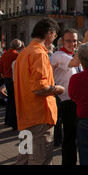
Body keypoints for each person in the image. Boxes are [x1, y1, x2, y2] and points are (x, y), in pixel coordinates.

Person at [13, 17, 65, 165]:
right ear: (49, 33)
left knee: (24, 157)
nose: (54, 40)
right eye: (54, 36)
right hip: (39, 117)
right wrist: (57, 89)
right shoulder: (40, 54)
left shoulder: (24, 53)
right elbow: (39, 88)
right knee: (40, 159)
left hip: (25, 116)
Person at [50, 28, 88, 165]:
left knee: (81, 137)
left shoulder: (73, 53)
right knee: (70, 137)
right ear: (62, 41)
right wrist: (85, 42)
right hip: (68, 101)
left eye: (75, 41)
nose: (72, 43)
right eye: (68, 41)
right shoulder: (58, 55)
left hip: (80, 101)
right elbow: (74, 62)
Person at [0, 39, 24, 130]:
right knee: (14, 101)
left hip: (6, 78)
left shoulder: (4, 54)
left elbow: (1, 67)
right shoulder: (16, 55)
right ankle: (13, 122)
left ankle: (8, 120)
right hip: (13, 79)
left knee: (10, 100)